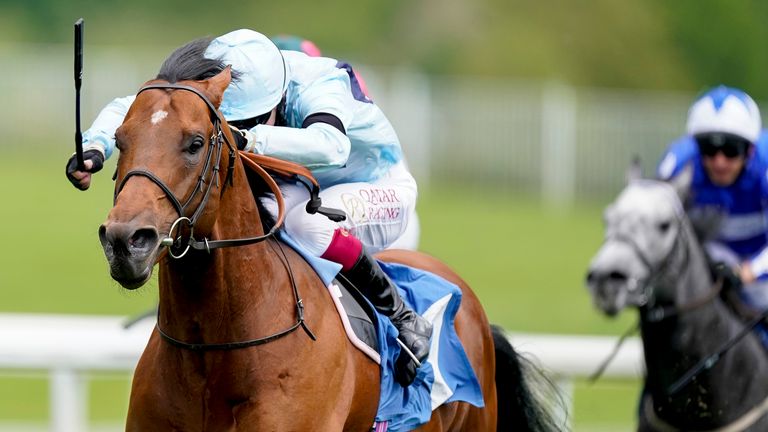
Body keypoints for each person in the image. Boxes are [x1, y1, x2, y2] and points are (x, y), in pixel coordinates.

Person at [65, 29, 431, 386]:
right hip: (301, 183)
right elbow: (138, 107)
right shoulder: (224, 75)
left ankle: (400, 314)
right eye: (231, 119)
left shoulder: (321, 83)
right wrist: (95, 148)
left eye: (246, 120)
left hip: (375, 188)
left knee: (305, 224)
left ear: (273, 103)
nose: (235, 127)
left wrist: (247, 137)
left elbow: (331, 146)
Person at [656, 85, 768, 323]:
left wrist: (749, 272)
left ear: (750, 150)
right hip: (712, 264)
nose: (719, 162)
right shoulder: (677, 164)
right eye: (709, 148)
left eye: (731, 150)